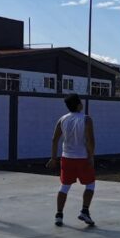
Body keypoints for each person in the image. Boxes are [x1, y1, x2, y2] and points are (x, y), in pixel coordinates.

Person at [46, 94, 97, 226]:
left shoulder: (62, 119)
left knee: (64, 186)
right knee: (90, 184)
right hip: (82, 158)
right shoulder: (86, 119)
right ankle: (85, 211)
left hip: (66, 157)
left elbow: (54, 139)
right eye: (80, 102)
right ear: (79, 105)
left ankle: (59, 215)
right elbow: (90, 140)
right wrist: (91, 156)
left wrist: (53, 158)